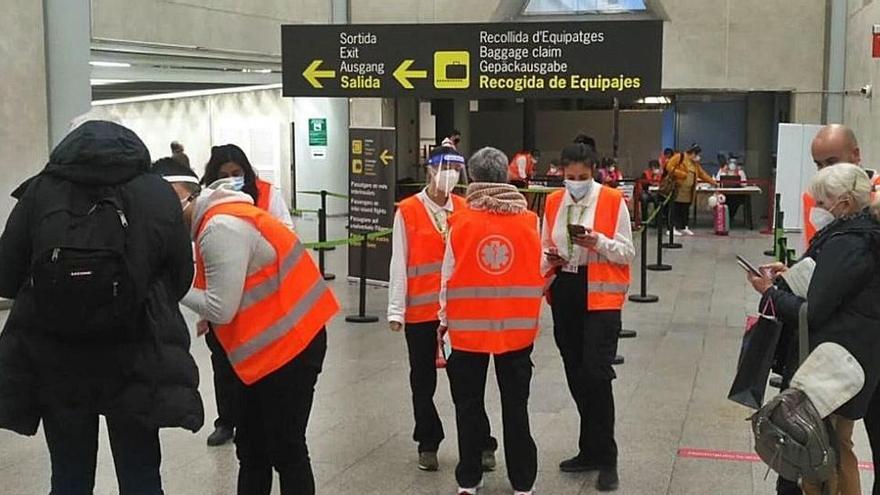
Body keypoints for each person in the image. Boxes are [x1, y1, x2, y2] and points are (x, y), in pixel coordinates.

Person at [0, 120, 204, 493]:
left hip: (58, 357)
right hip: (137, 352)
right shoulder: (156, 193)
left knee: (69, 476)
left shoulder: (40, 191)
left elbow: (5, 275)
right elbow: (181, 276)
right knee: (141, 473)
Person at [163, 166, 339, 495]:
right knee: (253, 449)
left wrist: (168, 283)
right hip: (266, 349)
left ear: (187, 198)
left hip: (291, 348)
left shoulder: (219, 227)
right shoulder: (216, 219)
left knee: (286, 449)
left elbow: (220, 307)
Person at [747, 164, 880, 495]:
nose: (817, 210)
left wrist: (770, 293)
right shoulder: (862, 234)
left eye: (822, 202)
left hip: (834, 365)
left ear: (845, 203)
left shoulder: (848, 242)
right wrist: (793, 273)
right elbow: (839, 289)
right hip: (854, 359)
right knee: (838, 444)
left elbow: (814, 312)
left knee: (826, 450)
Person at [439, 147, 544, 495]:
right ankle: (523, 482)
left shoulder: (460, 222)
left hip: (468, 334)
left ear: (473, 178)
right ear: (505, 177)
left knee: (467, 408)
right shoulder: (530, 221)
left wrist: (442, 320)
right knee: (517, 409)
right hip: (516, 333)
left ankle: (470, 478)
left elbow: (447, 276)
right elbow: (539, 270)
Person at [387, 147, 498, 472]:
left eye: (455, 167)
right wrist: (396, 310)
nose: (449, 173)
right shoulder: (407, 211)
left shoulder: (465, 207)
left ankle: (482, 442)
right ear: (429, 170)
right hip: (421, 312)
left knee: (465, 382)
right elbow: (399, 262)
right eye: (443, 166)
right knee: (422, 381)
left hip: (459, 312)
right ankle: (428, 440)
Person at [542, 143, 634, 492]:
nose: (575, 183)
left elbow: (627, 252)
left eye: (582, 177)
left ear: (594, 172)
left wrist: (598, 242)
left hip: (601, 295)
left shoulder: (611, 200)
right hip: (565, 288)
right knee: (575, 373)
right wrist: (550, 257)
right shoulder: (553, 202)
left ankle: (607, 457)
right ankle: (589, 448)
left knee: (597, 373)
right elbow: (542, 245)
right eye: (569, 177)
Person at [199, 143, 294, 447]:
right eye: (223, 174)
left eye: (237, 173)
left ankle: (258, 417)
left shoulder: (267, 194)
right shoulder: (206, 205)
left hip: (260, 298)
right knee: (223, 363)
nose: (231, 179)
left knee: (260, 364)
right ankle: (227, 420)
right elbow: (201, 256)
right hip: (221, 295)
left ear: (247, 173)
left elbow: (286, 234)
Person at [202, 143, 294, 230]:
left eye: (236, 174)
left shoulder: (267, 192)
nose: (230, 179)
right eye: (224, 176)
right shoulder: (207, 199)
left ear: (245, 171)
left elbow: (286, 229)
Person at [802, 124, 862, 247]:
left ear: (855, 155)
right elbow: (812, 250)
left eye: (832, 162)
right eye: (819, 164)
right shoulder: (812, 197)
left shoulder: (876, 194)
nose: (825, 171)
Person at [664, 144, 717, 236]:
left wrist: (713, 182)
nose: (698, 157)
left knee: (685, 209)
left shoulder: (695, 163)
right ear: (692, 153)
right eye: (696, 155)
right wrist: (681, 174)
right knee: (675, 209)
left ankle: (683, 227)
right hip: (678, 188)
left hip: (688, 191)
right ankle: (671, 228)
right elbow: (669, 167)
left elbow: (702, 174)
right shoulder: (679, 157)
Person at [640, 159, 664, 224]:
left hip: (658, 192)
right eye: (653, 168)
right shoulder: (645, 174)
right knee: (644, 198)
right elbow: (643, 185)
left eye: (656, 168)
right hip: (647, 192)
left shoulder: (661, 174)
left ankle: (658, 221)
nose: (655, 170)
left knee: (658, 199)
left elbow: (663, 184)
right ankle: (644, 220)